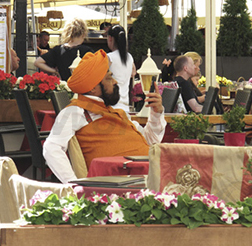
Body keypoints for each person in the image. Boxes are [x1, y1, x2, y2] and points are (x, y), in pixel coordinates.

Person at [43, 49, 166, 184]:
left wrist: (156, 113)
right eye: (109, 78)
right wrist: (74, 185)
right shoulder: (76, 111)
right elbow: (51, 148)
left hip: (149, 174)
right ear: (93, 88)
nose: (114, 82)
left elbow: (151, 142)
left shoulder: (116, 113)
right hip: (124, 183)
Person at [106, 24, 136, 112]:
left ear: (110, 39)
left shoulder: (109, 57)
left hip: (112, 105)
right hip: (125, 105)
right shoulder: (129, 57)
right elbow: (133, 73)